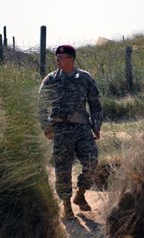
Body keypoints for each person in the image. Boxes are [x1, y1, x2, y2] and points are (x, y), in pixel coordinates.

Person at [38, 44, 103, 219]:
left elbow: (95, 104)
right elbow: (41, 106)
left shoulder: (85, 78)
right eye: (56, 57)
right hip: (60, 130)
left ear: (71, 59)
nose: (57, 60)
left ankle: (80, 194)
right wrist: (47, 127)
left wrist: (96, 126)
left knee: (92, 162)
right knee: (63, 169)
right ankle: (66, 206)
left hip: (82, 128)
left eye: (61, 57)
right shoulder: (50, 80)